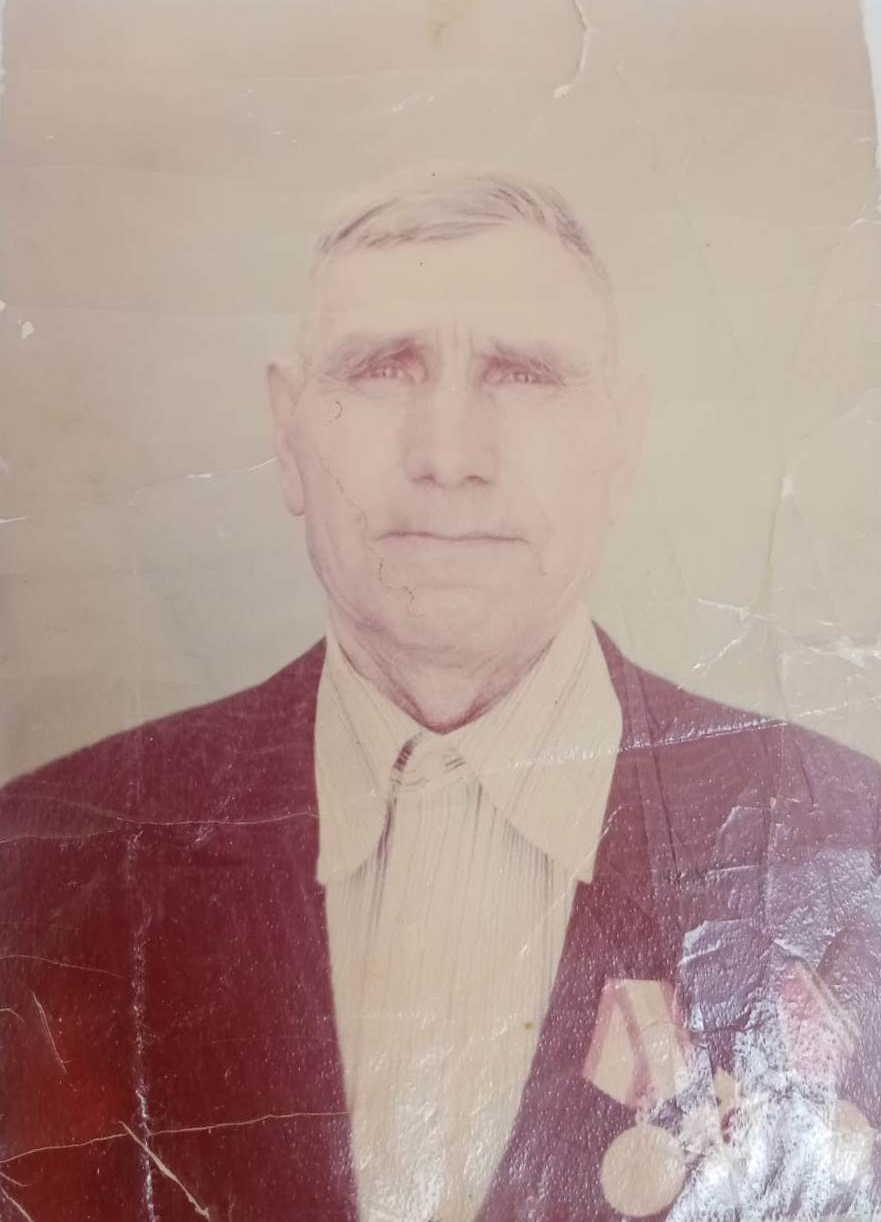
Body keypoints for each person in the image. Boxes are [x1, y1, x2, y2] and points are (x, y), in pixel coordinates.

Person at [2, 166, 881, 1222]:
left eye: (523, 373)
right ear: (288, 433)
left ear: (620, 440)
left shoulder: (852, 845)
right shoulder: (44, 860)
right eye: (381, 368)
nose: (448, 455)